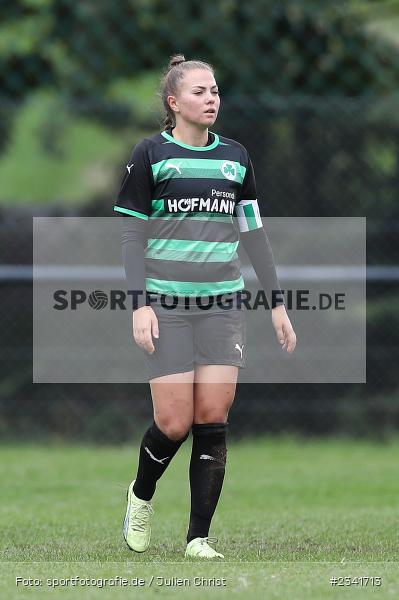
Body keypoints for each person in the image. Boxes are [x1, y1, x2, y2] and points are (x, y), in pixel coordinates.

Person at [114, 54, 296, 559]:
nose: (211, 98)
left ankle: (198, 538)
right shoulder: (151, 154)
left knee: (212, 414)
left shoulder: (235, 157)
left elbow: (254, 237)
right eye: (199, 91)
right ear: (174, 103)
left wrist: (277, 304)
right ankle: (140, 495)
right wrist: (140, 305)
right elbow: (131, 236)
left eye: (214, 90)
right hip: (166, 305)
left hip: (222, 305)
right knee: (174, 421)